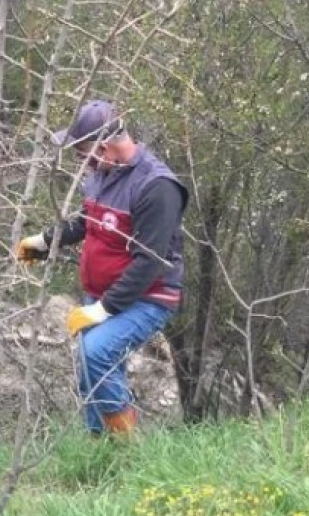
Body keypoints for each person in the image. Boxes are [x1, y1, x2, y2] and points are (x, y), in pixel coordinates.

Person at [14, 100, 188, 435]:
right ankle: (99, 446)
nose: (82, 163)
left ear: (105, 147)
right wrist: (41, 244)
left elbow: (150, 261)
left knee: (97, 355)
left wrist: (103, 310)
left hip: (148, 297)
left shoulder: (157, 187)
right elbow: (87, 222)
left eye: (83, 153)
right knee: (91, 371)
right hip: (105, 294)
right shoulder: (103, 174)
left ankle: (125, 453)